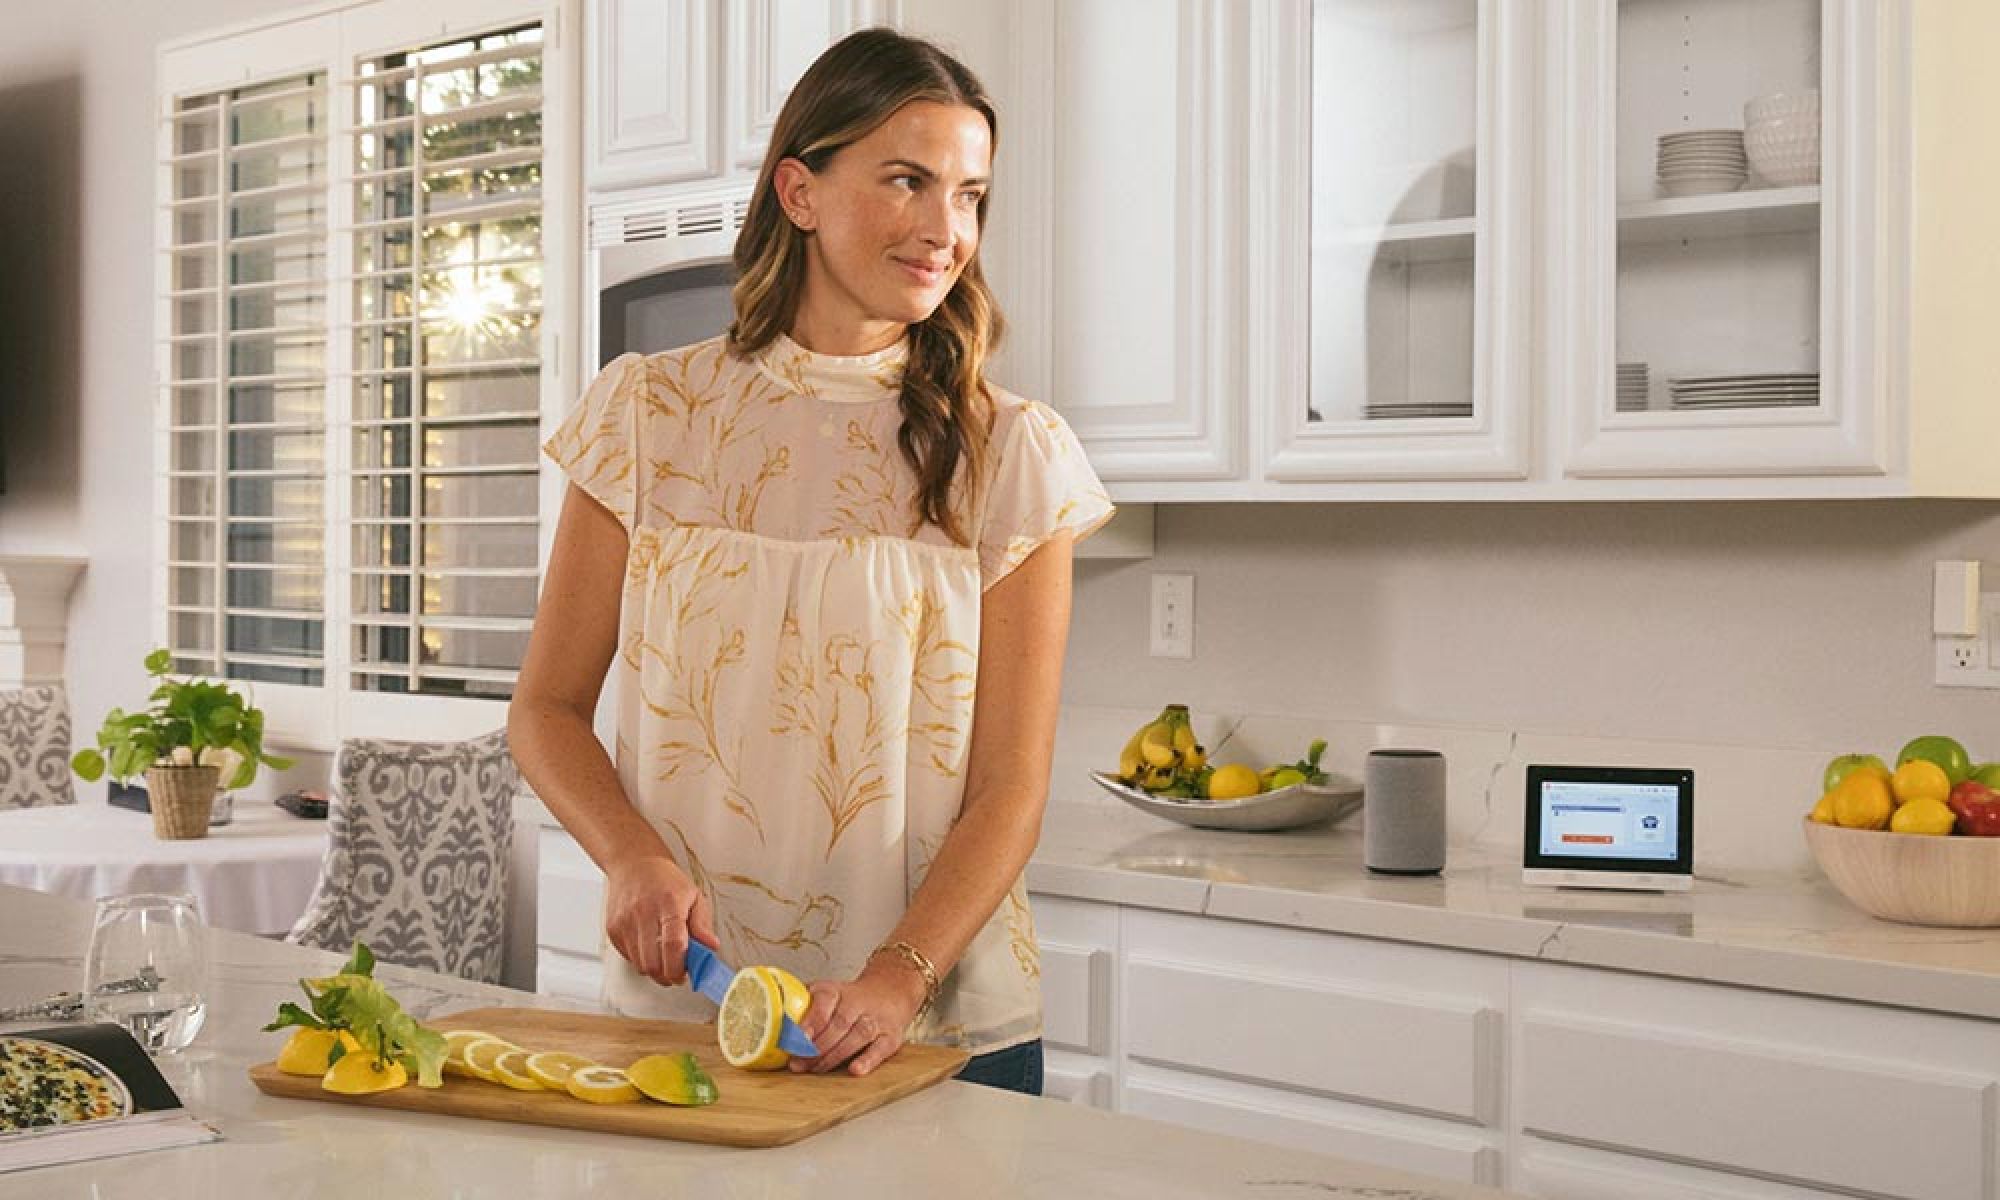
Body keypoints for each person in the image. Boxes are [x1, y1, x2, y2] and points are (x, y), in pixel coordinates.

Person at [508, 27, 1112, 1095]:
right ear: (800, 191)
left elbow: (1010, 787)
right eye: (907, 182)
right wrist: (629, 857)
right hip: (692, 1004)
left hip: (929, 1031)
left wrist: (895, 979)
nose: (946, 230)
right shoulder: (647, 415)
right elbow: (546, 709)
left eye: (969, 194)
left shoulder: (1010, 451)